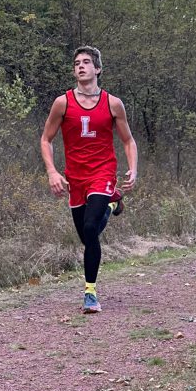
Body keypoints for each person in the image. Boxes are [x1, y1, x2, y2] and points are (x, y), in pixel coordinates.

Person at [40, 46, 139, 314]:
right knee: (86, 235)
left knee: (91, 226)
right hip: (75, 177)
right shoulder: (62, 103)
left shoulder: (112, 103)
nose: (81, 66)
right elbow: (46, 139)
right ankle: (110, 205)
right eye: (77, 63)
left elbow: (128, 140)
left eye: (86, 62)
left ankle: (90, 293)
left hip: (103, 173)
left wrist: (133, 168)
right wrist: (52, 171)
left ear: (97, 69)